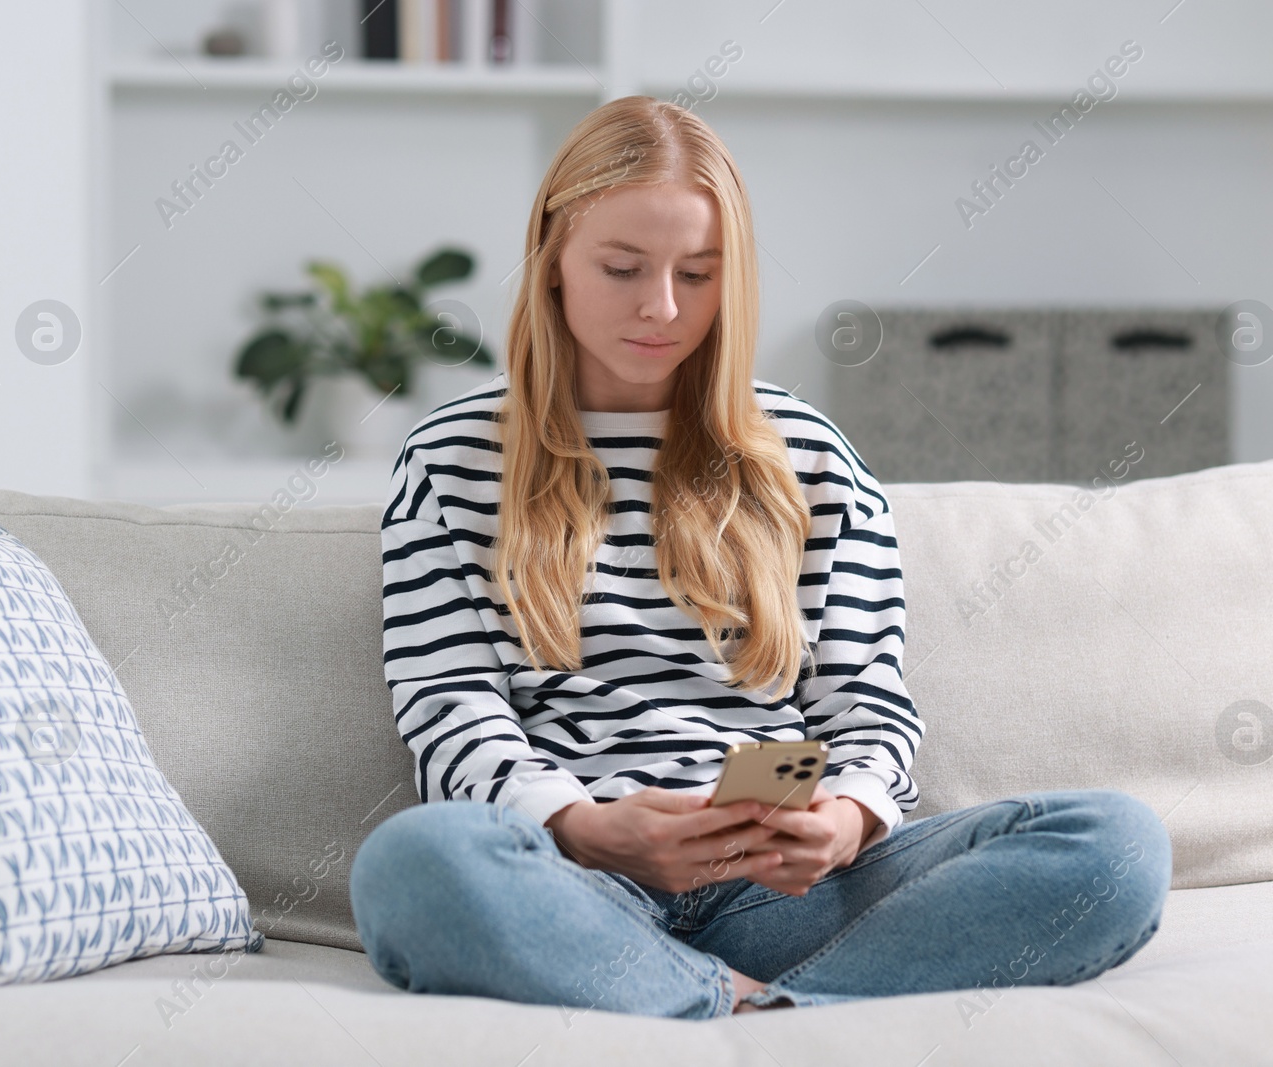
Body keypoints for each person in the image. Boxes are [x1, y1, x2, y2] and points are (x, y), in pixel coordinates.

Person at [349, 95, 1171, 1019]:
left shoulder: (805, 453)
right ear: (552, 262)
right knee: (411, 865)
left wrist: (846, 817)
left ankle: (745, 1005)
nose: (662, 308)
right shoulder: (454, 458)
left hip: (784, 893)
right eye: (622, 268)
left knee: (1116, 842)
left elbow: (868, 704)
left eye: (698, 274)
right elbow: (449, 708)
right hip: (579, 882)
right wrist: (584, 829)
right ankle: (755, 1008)